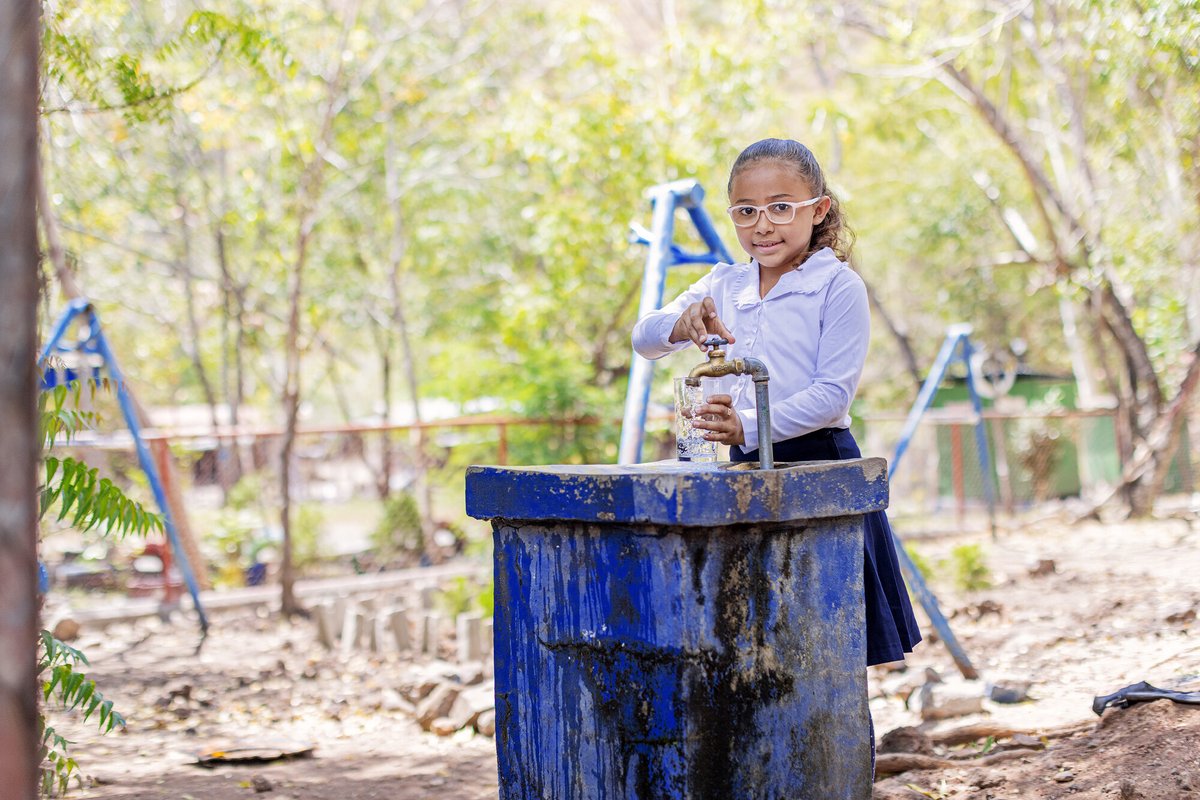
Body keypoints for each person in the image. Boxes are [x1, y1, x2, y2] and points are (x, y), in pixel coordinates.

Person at [631, 137, 922, 767]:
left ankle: (837, 767)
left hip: (819, 469)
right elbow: (644, 337)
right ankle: (761, 768)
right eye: (745, 211)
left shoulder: (836, 286)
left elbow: (830, 394)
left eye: (781, 207)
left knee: (825, 629)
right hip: (742, 474)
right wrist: (682, 323)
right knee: (752, 629)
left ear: (819, 209)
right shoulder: (724, 283)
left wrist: (747, 426)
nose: (762, 225)